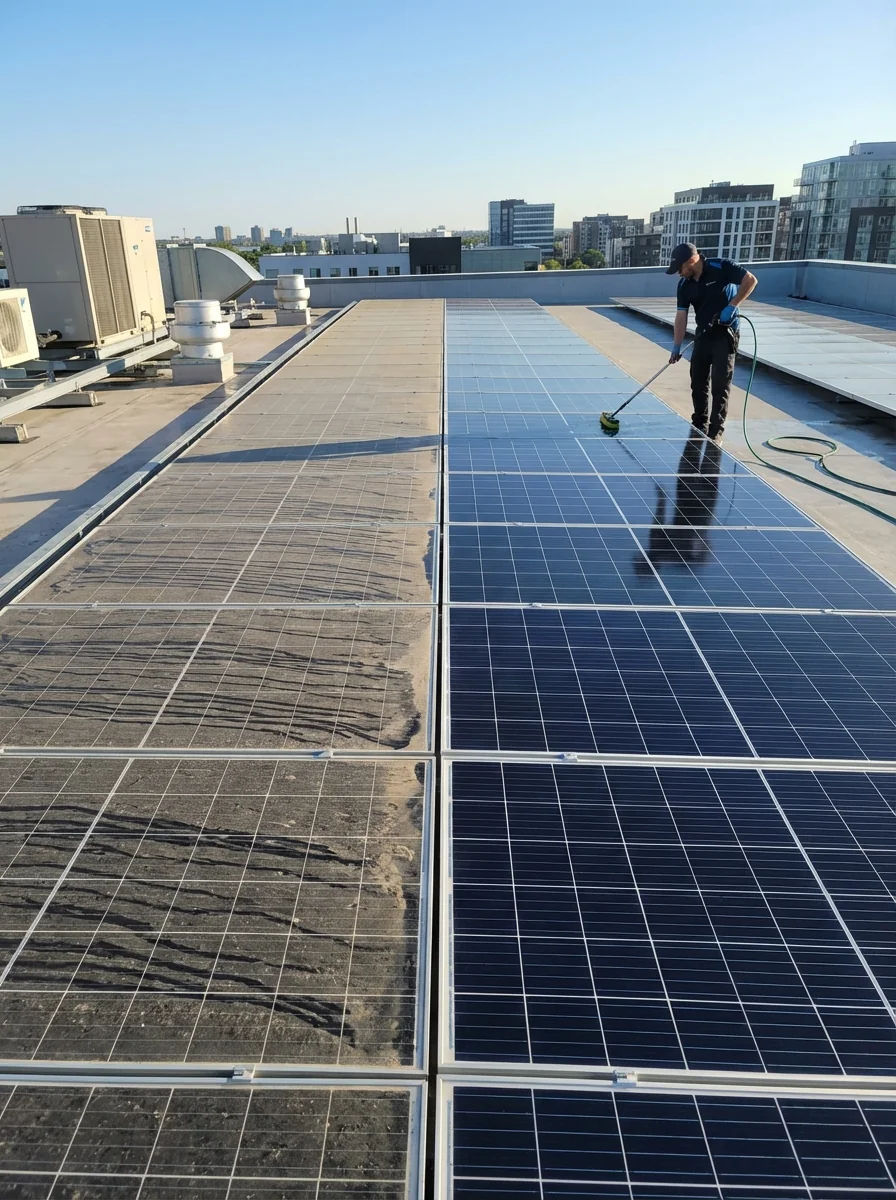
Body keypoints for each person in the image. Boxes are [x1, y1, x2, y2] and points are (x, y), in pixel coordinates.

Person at [666, 242, 757, 443]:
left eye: (680, 268)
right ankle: (699, 422)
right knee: (698, 381)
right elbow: (681, 316)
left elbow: (750, 280)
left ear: (692, 260)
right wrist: (676, 346)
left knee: (720, 384)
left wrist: (733, 306)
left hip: (726, 334)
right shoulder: (684, 285)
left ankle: (716, 430)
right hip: (703, 334)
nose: (679, 273)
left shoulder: (721, 267)